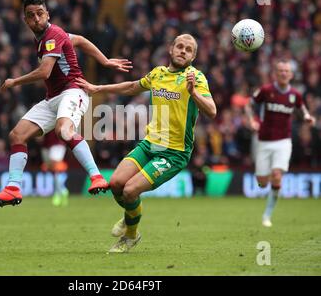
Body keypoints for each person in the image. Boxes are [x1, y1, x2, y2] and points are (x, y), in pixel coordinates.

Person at [0, 0, 132, 207]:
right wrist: (104, 60)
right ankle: (12, 188)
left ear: (47, 14)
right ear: (25, 20)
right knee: (17, 135)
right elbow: (79, 40)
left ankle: (96, 176)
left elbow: (45, 72)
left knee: (64, 130)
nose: (36, 18)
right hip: (53, 98)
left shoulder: (53, 34)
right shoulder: (47, 36)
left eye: (40, 13)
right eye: (31, 15)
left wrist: (15, 81)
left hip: (73, 91)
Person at [76, 34, 217, 252]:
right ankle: (130, 216)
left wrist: (193, 93)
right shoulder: (158, 73)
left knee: (130, 191)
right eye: (179, 46)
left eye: (188, 49)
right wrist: (98, 89)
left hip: (174, 153)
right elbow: (132, 86)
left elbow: (212, 111)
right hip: (150, 143)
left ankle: (131, 235)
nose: (183, 51)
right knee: (115, 184)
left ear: (193, 56)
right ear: (171, 49)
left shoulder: (195, 78)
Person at [245, 59, 316, 227]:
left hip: (284, 141)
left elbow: (303, 110)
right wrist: (251, 121)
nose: (284, 73)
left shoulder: (295, 95)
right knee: (262, 183)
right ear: (275, 74)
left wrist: (308, 117)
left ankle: (267, 215)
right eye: (280, 71)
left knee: (277, 177)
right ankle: (267, 177)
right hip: (263, 141)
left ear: (291, 75)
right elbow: (249, 105)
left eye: (286, 71)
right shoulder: (266, 90)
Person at [40, 130, 69, 207]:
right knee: (51, 170)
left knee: (56, 168)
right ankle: (63, 190)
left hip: (57, 143)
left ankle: (57, 194)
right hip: (46, 144)